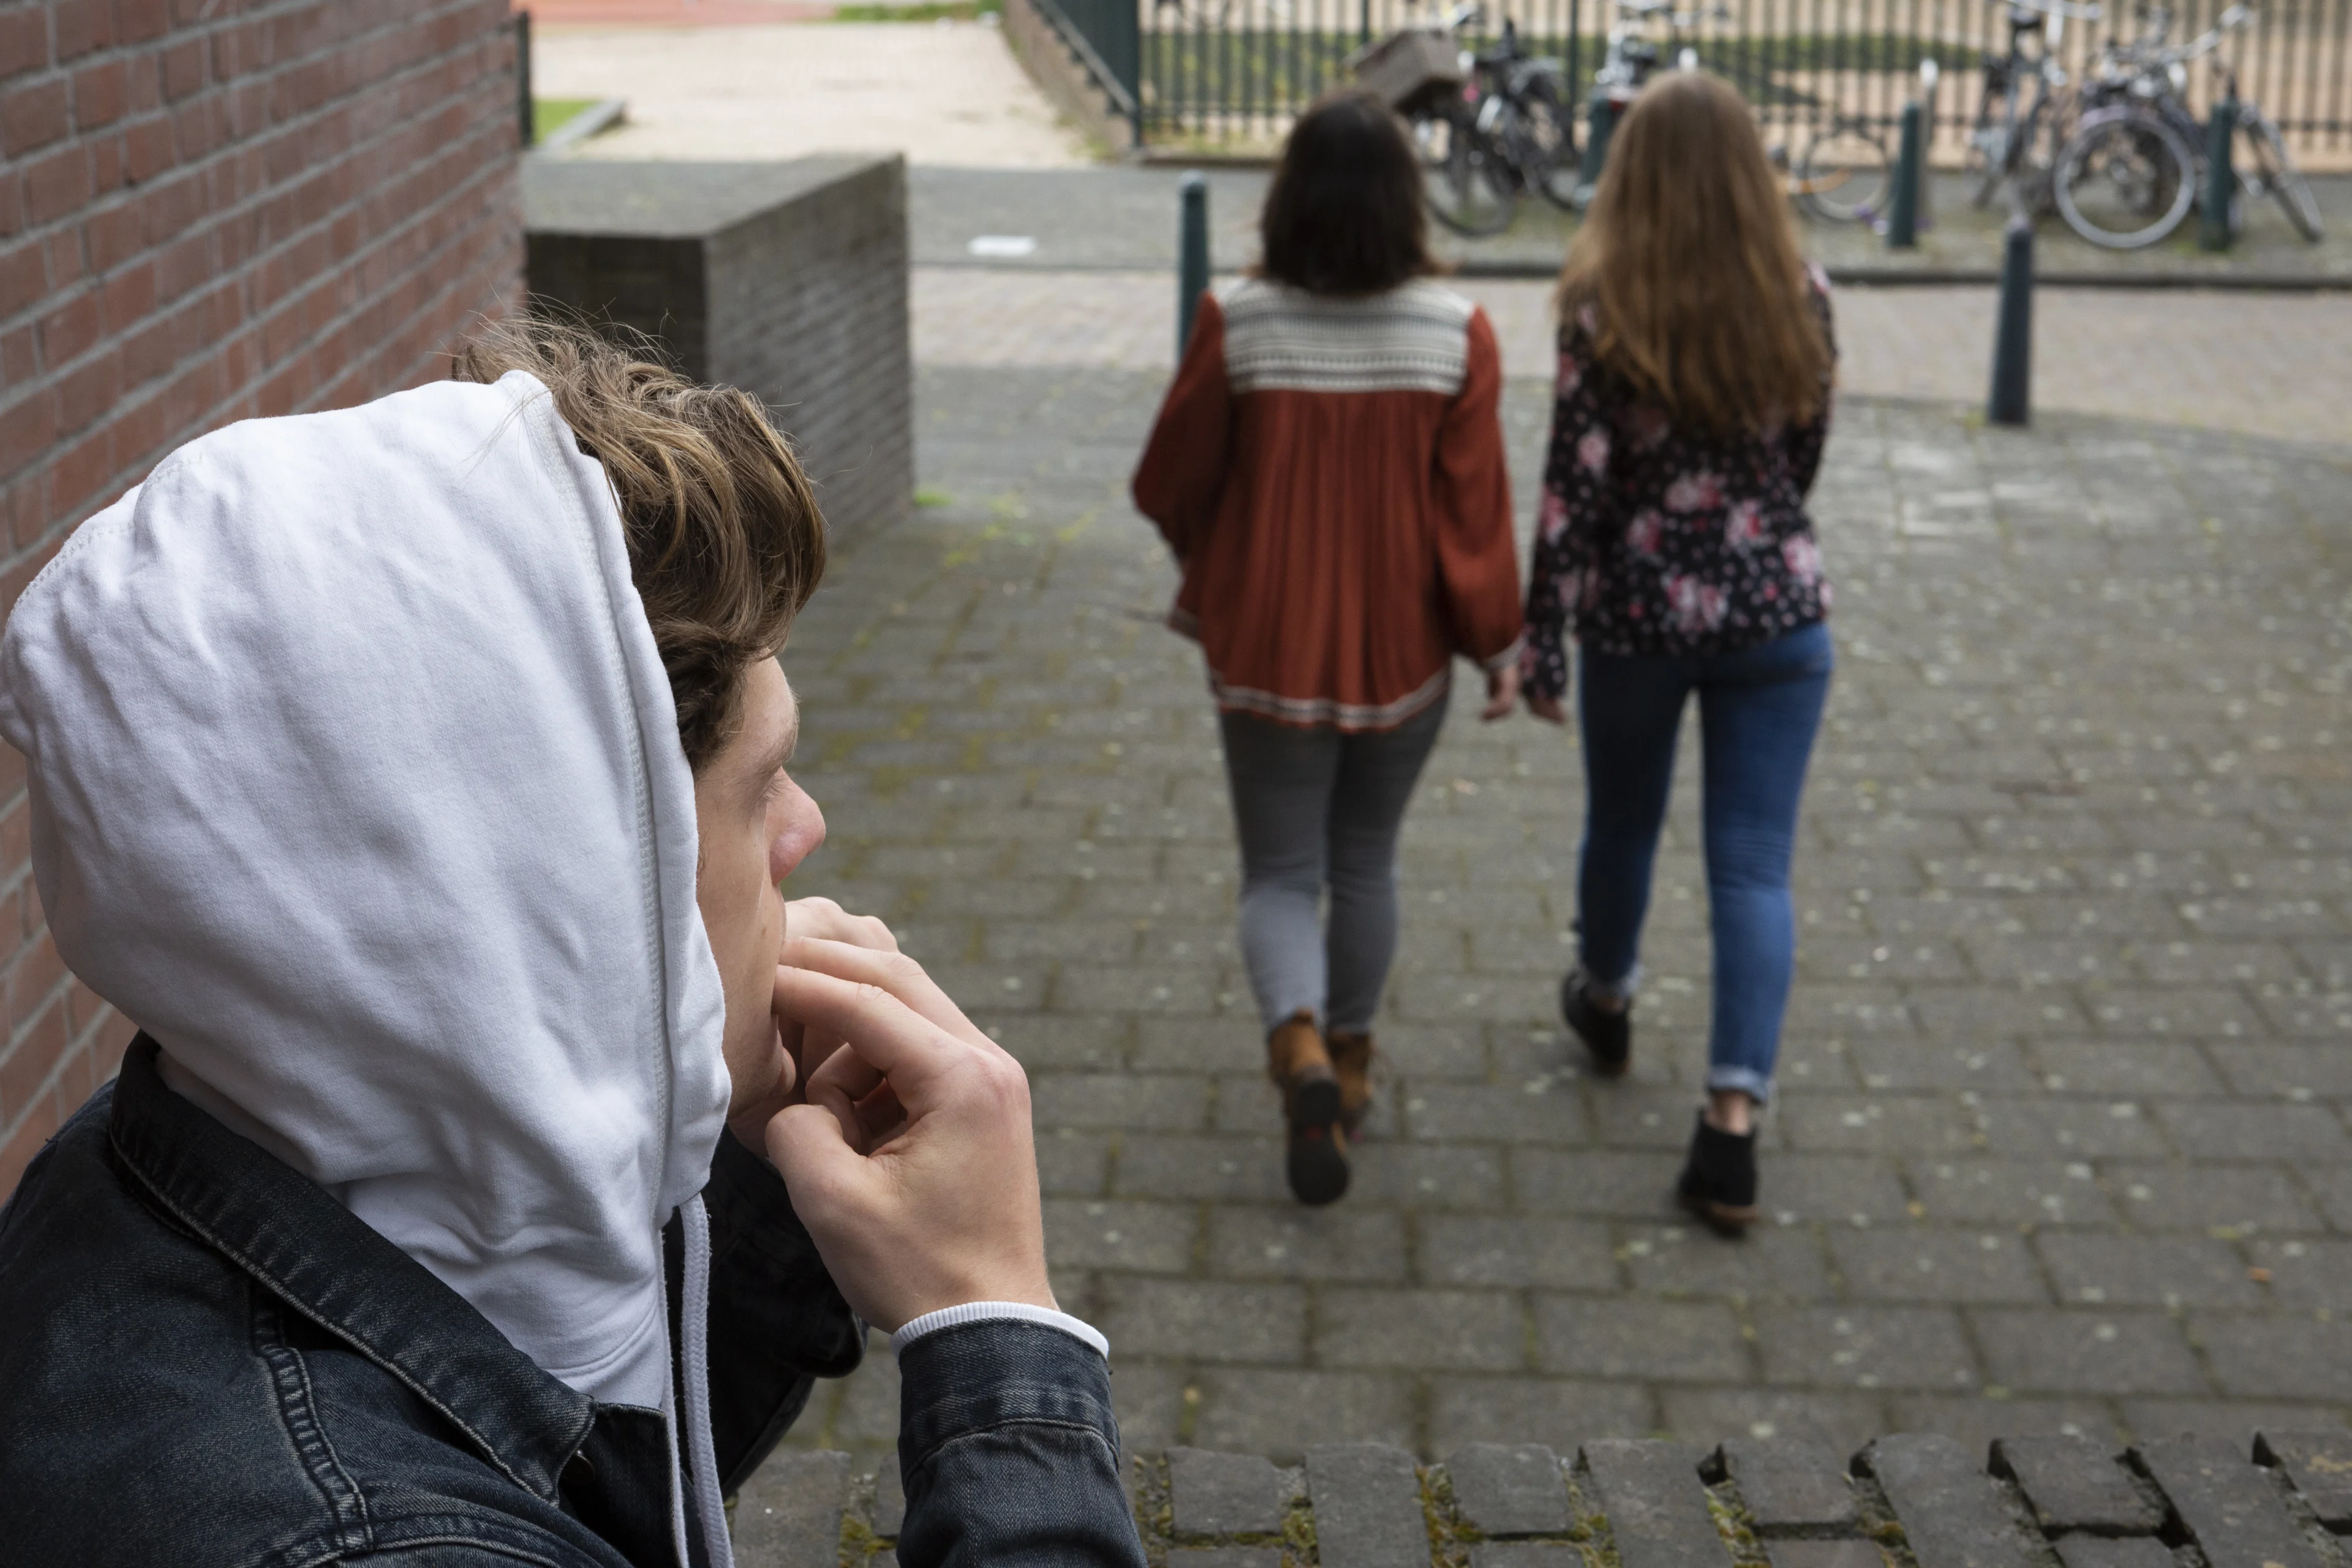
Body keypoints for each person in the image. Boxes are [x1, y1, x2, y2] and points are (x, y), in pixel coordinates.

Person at [0, 322, 1147, 1568]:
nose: (808, 825)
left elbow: (574, 1476)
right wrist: (996, 1322)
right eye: (759, 782)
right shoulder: (363, 1545)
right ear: (569, 882)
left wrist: (726, 1126)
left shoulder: (176, 1135)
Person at [1132, 91, 1522, 1208]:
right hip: (1405, 659)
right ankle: (1347, 1063)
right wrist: (1500, 644)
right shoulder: (1457, 334)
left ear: (1290, 194)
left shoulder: (1237, 319)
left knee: (1280, 870)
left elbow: (1168, 480)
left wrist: (1225, 549)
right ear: (1409, 199)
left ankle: (1293, 1046)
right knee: (1364, 863)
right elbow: (1475, 520)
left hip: (1262, 650)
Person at [1519, 71, 1838, 1237]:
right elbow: (1803, 457)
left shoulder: (1606, 308)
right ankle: (1731, 1128)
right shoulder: (1801, 294)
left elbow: (1573, 496)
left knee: (1625, 821)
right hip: (1777, 620)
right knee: (1753, 865)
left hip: (1640, 620)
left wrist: (1542, 640)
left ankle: (1604, 997)